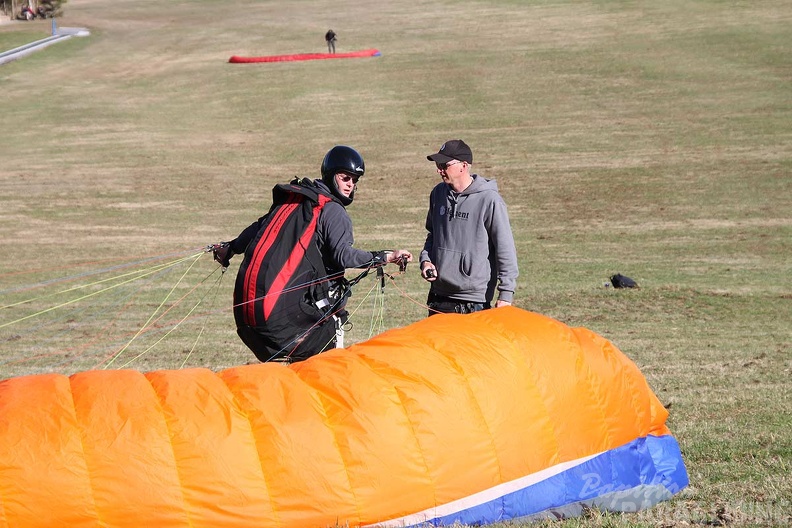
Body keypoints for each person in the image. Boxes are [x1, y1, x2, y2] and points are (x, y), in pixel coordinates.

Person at [213, 146, 412, 363]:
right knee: (329, 359)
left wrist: (230, 248)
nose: (350, 185)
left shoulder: (296, 199)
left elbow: (258, 228)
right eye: (345, 178)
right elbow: (343, 256)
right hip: (286, 324)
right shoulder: (333, 211)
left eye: (355, 180)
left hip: (250, 323)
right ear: (330, 174)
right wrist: (386, 257)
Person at [419, 139, 518, 316]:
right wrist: (426, 260)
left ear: (463, 166)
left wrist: (506, 294)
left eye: (444, 164)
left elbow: (505, 248)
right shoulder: (438, 194)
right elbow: (432, 234)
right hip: (438, 296)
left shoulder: (489, 200)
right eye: (437, 164)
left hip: (473, 300)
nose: (439, 169)